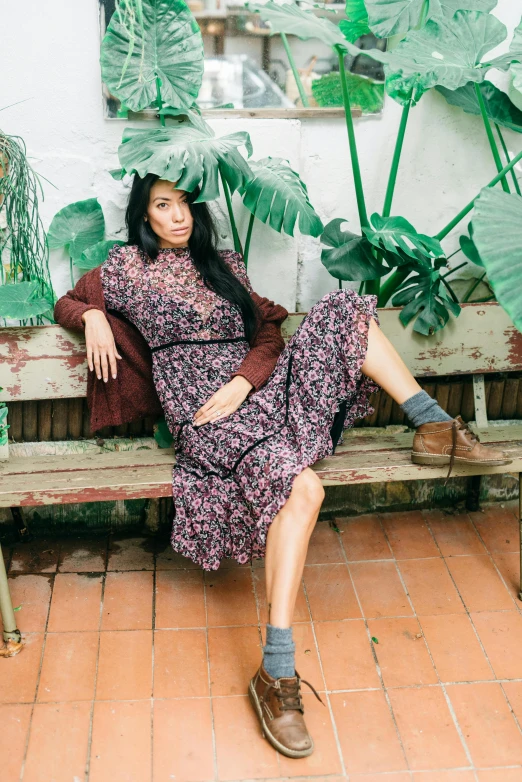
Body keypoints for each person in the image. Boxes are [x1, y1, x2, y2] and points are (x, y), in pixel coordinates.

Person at [54, 174, 511, 759]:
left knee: (346, 308)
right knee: (305, 489)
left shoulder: (223, 265)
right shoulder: (123, 270)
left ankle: (434, 426)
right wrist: (91, 317)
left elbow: (268, 328)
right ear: (144, 217)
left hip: (250, 391)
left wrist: (246, 379)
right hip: (205, 412)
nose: (177, 216)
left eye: (184, 204)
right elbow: (68, 298)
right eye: (162, 206)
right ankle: (277, 670)